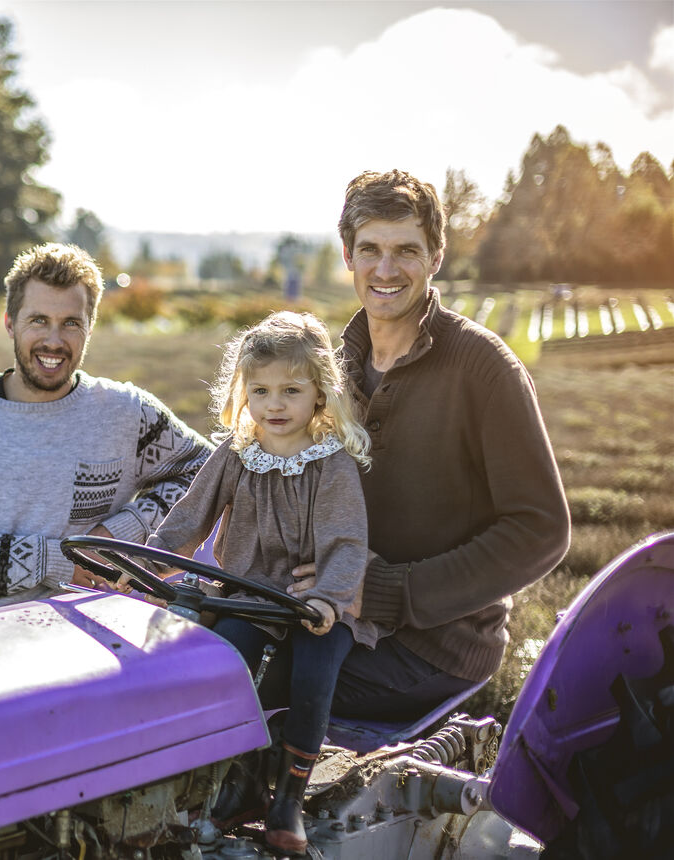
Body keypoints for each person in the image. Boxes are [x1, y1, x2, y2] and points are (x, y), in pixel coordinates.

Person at [290, 169, 571, 727]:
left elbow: (541, 531)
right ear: (348, 255)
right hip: (335, 615)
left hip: (434, 648)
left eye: (407, 251)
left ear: (436, 256)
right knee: (204, 662)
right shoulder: (331, 368)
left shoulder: (485, 369)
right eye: (370, 248)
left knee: (249, 696)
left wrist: (389, 592)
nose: (386, 269)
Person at [0, 242, 213, 634]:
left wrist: (113, 539)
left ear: (90, 327)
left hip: (50, 645)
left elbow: (206, 475)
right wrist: (58, 560)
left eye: (71, 323)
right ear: (10, 323)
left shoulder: (126, 412)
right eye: (38, 320)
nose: (54, 340)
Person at [146, 310, 377, 856]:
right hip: (250, 596)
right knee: (225, 657)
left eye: (291, 390)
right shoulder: (236, 453)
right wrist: (152, 563)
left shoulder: (332, 464)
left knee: (314, 673)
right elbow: (188, 517)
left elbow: (347, 544)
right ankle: (234, 777)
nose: (275, 405)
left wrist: (327, 597)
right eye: (262, 390)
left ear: (319, 393)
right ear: (243, 392)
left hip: (316, 602)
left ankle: (289, 795)